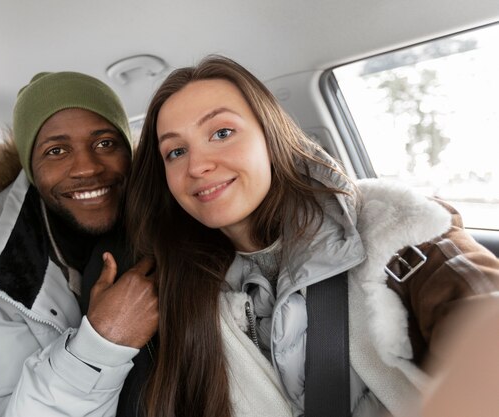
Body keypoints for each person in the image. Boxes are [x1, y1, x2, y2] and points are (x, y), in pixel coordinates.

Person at [126, 55, 499, 417]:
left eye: (222, 133)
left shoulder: (396, 228)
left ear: (270, 136)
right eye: (175, 151)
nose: (197, 165)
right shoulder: (181, 292)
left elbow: (482, 309)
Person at [0, 72, 158, 416]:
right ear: (32, 170)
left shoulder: (179, 230)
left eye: (105, 143)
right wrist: (100, 346)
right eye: (57, 150)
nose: (86, 167)